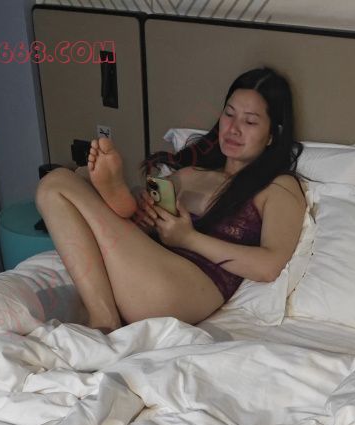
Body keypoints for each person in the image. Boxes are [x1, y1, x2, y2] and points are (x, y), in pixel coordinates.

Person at [35, 67, 307, 332]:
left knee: (61, 181)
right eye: (229, 114)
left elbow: (269, 266)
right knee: (64, 182)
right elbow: (139, 234)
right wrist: (145, 216)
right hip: (144, 271)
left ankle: (102, 317)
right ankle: (120, 200)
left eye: (250, 121)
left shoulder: (278, 187)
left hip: (182, 287)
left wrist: (188, 239)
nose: (233, 128)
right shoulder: (190, 175)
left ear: (272, 135)